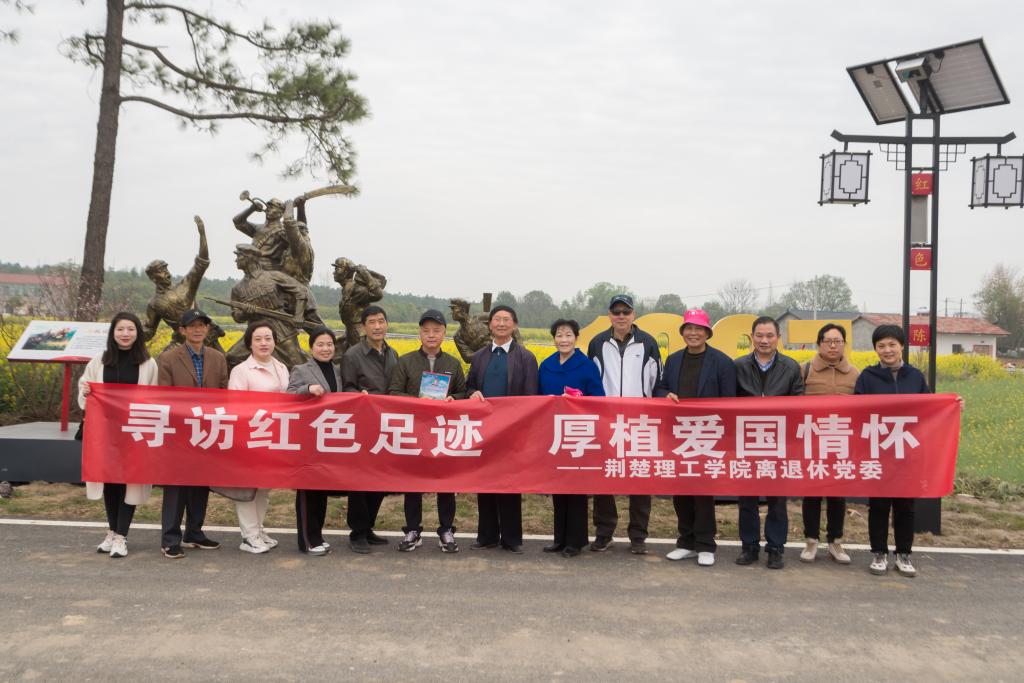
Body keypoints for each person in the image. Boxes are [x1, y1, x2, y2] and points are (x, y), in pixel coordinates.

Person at [654, 309, 736, 568]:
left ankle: (706, 544)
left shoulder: (722, 362)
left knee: (703, 492)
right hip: (678, 435)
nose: (693, 333)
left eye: (698, 329)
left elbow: (730, 401)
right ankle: (686, 542)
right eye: (688, 328)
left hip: (708, 435)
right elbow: (660, 387)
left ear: (707, 333)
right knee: (681, 491)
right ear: (683, 332)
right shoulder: (674, 360)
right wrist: (665, 395)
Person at [586, 294, 662, 554]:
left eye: (625, 312)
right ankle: (604, 532)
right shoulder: (597, 343)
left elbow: (657, 381)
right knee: (604, 477)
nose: (621, 316)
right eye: (616, 312)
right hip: (606, 420)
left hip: (640, 421)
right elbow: (592, 380)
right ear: (609, 315)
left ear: (633, 314)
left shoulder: (648, 343)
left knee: (639, 478)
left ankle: (638, 536)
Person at [78, 311, 158, 558]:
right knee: (109, 481)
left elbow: (155, 398)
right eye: (120, 329)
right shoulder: (99, 361)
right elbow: (84, 394)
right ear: (113, 333)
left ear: (138, 333)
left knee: (129, 482)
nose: (125, 334)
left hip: (134, 433)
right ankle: (112, 532)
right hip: (105, 434)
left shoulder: (148, 363)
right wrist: (85, 391)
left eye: (131, 329)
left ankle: (122, 535)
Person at [387, 309, 468, 553]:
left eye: (436, 330)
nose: (431, 335)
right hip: (415, 431)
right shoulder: (406, 361)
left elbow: (463, 393)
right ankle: (413, 530)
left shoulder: (453, 363)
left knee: (446, 483)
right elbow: (393, 392)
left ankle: (446, 530)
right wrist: (417, 401)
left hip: (443, 432)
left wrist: (454, 398)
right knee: (413, 483)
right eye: (426, 331)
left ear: (444, 333)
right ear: (419, 334)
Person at [856, 324, 930, 578]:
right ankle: (879, 553)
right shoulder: (867, 377)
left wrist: (953, 406)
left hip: (907, 452)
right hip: (878, 452)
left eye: (892, 345)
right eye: (881, 346)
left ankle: (904, 554)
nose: (887, 350)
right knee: (878, 505)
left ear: (902, 347)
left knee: (905, 506)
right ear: (875, 349)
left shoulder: (915, 377)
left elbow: (930, 408)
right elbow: (857, 412)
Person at [157, 308, 229, 559]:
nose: (198, 330)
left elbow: (223, 393)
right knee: (176, 487)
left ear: (207, 329)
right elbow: (164, 396)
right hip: (179, 431)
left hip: (207, 430)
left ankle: (194, 532)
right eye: (193, 326)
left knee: (200, 483)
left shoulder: (217, 358)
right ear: (182, 330)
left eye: (202, 325)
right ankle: (170, 539)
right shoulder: (168, 358)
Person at [734, 316, 804, 570]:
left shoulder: (791, 367)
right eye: (759, 335)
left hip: (779, 442)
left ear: (778, 338)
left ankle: (775, 548)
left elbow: (799, 404)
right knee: (747, 499)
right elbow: (727, 402)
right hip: (746, 440)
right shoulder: (738, 366)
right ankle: (749, 546)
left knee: (777, 500)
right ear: (751, 337)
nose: (764, 340)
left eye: (770, 336)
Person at [467, 305, 539, 553]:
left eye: (506, 319)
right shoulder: (479, 357)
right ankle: (486, 535)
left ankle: (511, 538)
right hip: (484, 430)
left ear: (514, 325)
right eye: (496, 319)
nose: (500, 323)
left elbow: (530, 396)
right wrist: (472, 393)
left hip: (512, 430)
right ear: (490, 325)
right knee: (484, 482)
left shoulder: (526, 357)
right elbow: (470, 387)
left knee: (510, 484)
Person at [538, 318, 604, 558]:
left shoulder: (586, 366)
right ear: (553, 338)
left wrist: (578, 400)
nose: (563, 340)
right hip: (554, 433)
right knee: (558, 487)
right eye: (559, 335)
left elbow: (599, 399)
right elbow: (537, 398)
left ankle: (575, 541)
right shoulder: (546, 365)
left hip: (579, 433)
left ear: (576, 338)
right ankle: (559, 538)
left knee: (575, 488)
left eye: (568, 335)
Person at [227, 320, 290, 554]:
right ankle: (249, 536)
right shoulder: (242, 371)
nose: (264, 343)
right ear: (249, 344)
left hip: (273, 437)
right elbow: (235, 407)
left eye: (268, 338)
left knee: (263, 487)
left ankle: (259, 530)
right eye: (258, 339)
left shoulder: (281, 367)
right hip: (249, 437)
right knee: (247, 488)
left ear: (275, 341)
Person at [799, 323, 859, 565]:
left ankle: (835, 541)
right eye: (828, 341)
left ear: (844, 344)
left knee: (837, 495)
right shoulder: (804, 370)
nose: (833, 346)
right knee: (811, 494)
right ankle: (811, 541)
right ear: (819, 344)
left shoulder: (855, 374)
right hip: (811, 442)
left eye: (838, 341)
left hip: (841, 443)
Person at [341, 304, 398, 553]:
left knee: (380, 480)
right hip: (363, 426)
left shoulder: (392, 353)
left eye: (381, 321)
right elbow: (347, 387)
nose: (377, 326)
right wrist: (359, 396)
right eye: (372, 322)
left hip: (387, 427)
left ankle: (368, 527)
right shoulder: (353, 355)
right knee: (360, 481)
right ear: (363, 327)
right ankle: (357, 532)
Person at [287, 326, 344, 556]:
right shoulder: (301, 369)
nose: (325, 348)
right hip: (307, 439)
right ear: (311, 348)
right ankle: (307, 541)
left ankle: (317, 535)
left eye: (329, 344)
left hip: (327, 440)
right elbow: (289, 395)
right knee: (307, 492)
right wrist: (308, 388)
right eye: (320, 344)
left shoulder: (337, 370)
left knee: (321, 492)